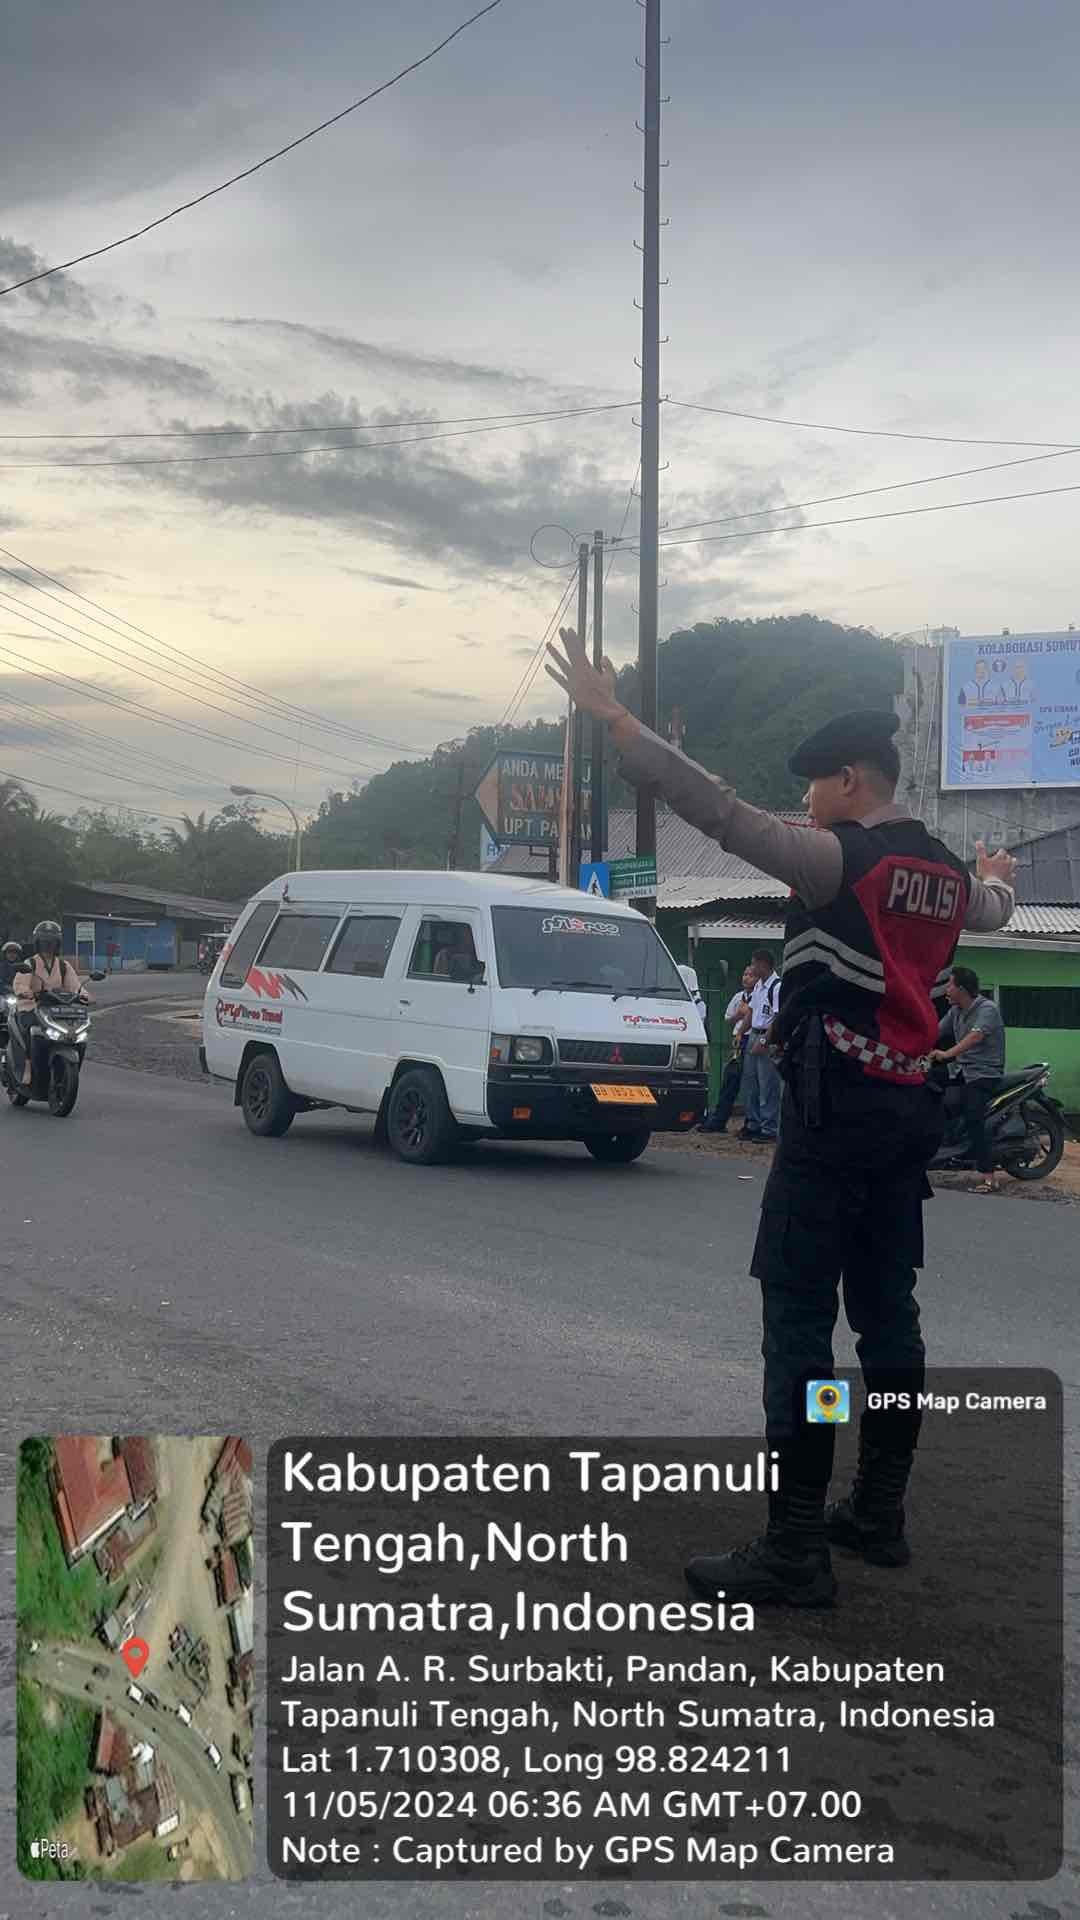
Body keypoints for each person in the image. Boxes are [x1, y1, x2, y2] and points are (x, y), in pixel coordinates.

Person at [546, 627, 1016, 1607]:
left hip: (831, 1110)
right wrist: (998, 871)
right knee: (889, 1317)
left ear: (850, 781)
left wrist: (616, 718)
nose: (803, 802)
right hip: (905, 1115)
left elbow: (714, 809)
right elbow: (997, 909)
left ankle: (797, 1543)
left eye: (813, 785)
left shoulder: (837, 859)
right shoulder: (943, 874)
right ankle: (878, 1513)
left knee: (800, 1319)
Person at [930, 967, 1007, 1192]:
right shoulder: (956, 1011)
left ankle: (989, 1176)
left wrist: (946, 1054)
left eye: (950, 985)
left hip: (985, 1074)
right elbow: (935, 1032)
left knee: (973, 1117)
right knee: (930, 1090)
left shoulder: (987, 1009)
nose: (947, 989)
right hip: (962, 1070)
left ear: (961, 989)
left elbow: (975, 1036)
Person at [11, 920, 87, 1087]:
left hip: (55, 1009)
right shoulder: (29, 963)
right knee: (31, 1031)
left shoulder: (63, 965)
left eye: (52, 942)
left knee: (78, 1032)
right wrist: (26, 991)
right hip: (30, 1006)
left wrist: (85, 995)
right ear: (38, 943)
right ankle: (28, 1066)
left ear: (57, 943)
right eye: (45, 941)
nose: (48, 945)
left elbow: (75, 985)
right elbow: (20, 983)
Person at [700, 966, 754, 1133]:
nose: (746, 978)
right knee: (730, 1079)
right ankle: (719, 1119)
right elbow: (729, 1019)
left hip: (751, 1038)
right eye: (744, 974)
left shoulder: (760, 996)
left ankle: (752, 1123)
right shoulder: (739, 997)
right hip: (737, 1040)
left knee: (751, 1083)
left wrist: (748, 1015)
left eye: (751, 975)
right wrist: (739, 1015)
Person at [740, 949, 782, 1141]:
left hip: (766, 1036)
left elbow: (777, 1017)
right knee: (751, 1083)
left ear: (764, 964)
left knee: (768, 1085)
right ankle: (753, 1123)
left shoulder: (776, 986)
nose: (752, 967)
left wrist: (765, 1040)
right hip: (753, 1034)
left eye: (755, 963)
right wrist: (741, 1032)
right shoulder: (758, 986)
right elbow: (751, 1011)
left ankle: (769, 1128)